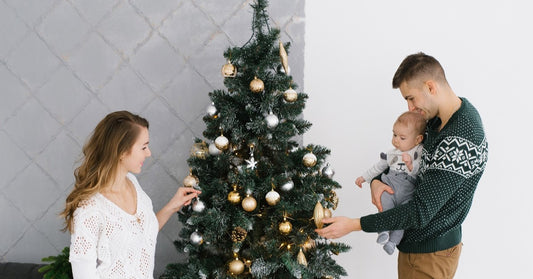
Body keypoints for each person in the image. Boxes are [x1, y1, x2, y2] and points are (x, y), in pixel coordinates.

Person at [316, 52, 488, 278]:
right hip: (420, 249)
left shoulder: (460, 138)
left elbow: (419, 213)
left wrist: (353, 225)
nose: (410, 108)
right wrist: (376, 182)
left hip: (430, 255)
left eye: (411, 98)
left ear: (430, 87)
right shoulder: (436, 122)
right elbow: (402, 162)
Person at [61, 111, 201, 279]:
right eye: (143, 147)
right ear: (121, 152)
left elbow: (142, 235)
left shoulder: (132, 183)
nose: (148, 153)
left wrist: (172, 206)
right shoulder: (89, 209)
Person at [355, 111, 426, 255]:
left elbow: (421, 170)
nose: (396, 140)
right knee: (384, 202)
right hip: (390, 186)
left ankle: (393, 242)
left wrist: (411, 165)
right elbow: (378, 167)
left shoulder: (419, 151)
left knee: (403, 218)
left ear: (418, 139)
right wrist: (364, 177)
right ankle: (383, 232)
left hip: (408, 192)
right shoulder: (391, 153)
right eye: (394, 135)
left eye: (402, 137)